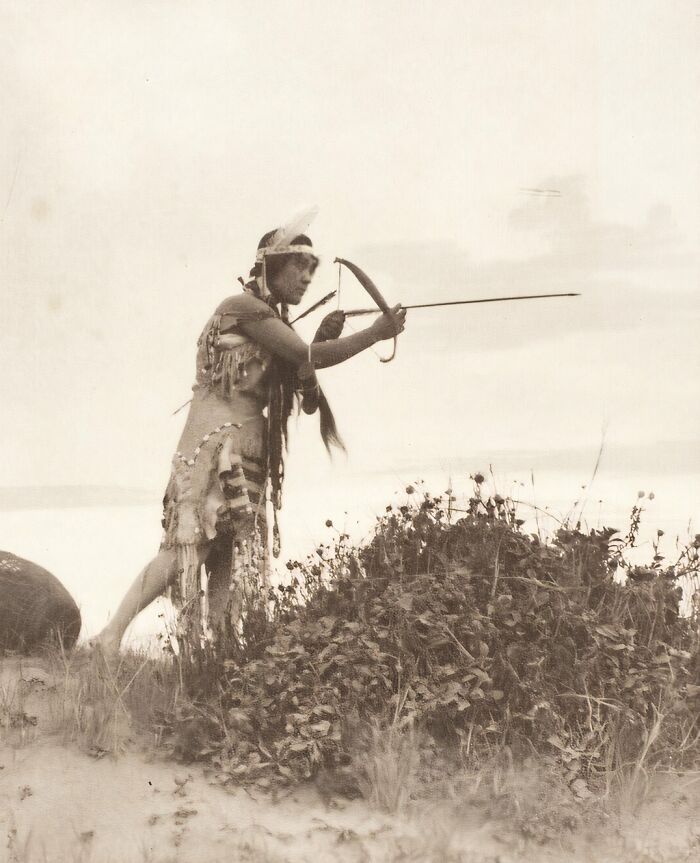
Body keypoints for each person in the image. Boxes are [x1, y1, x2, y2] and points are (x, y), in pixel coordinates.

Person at [94, 219, 406, 656]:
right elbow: (302, 356)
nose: (305, 277)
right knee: (191, 546)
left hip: (247, 454)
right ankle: (111, 635)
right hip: (214, 445)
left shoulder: (272, 326)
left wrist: (319, 343)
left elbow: (307, 394)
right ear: (270, 266)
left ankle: (219, 657)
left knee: (228, 557)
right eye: (298, 266)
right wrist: (373, 334)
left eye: (310, 269)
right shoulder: (241, 306)